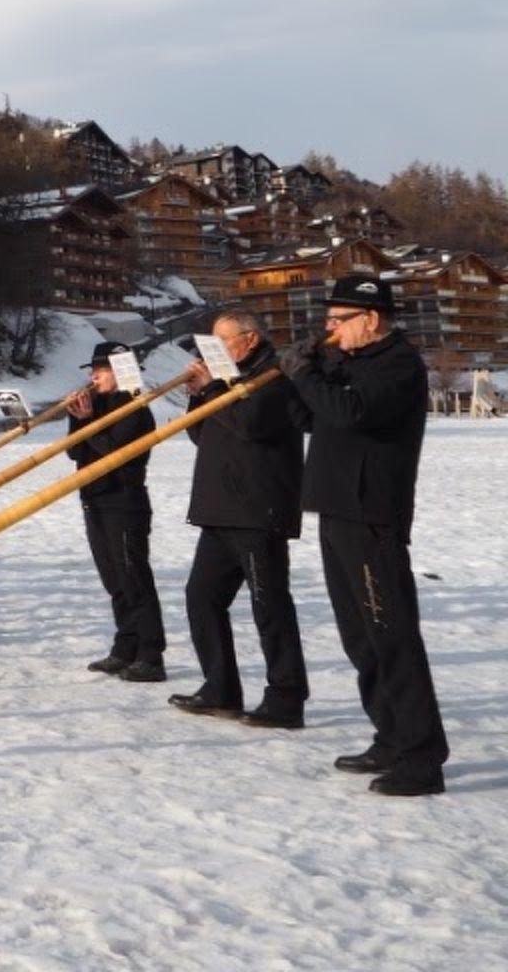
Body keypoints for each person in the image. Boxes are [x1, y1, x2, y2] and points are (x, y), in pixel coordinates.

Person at [291, 274, 449, 797]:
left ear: (372, 319)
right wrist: (298, 377)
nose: (330, 330)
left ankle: (422, 756)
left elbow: (349, 412)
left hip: (371, 513)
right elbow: (312, 416)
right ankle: (389, 734)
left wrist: (310, 376)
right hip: (337, 509)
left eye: (338, 321)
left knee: (392, 633)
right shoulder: (352, 362)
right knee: (360, 635)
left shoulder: (398, 365)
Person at [170, 310, 312, 728]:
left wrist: (215, 386)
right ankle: (221, 687)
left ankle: (286, 697)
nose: (213, 350)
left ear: (249, 340)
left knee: (269, 604)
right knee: (202, 597)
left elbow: (252, 424)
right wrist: (200, 394)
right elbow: (203, 434)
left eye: (222, 341)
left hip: (258, 508)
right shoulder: (227, 378)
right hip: (219, 509)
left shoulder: (273, 375)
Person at [64, 342, 166, 681]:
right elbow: (75, 452)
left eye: (102, 369)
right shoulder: (95, 405)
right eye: (93, 369)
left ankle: (151, 654)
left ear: (121, 371)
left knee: (133, 577)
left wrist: (90, 420)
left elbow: (115, 453)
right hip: (94, 499)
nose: (94, 376)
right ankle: (126, 646)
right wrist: (78, 419)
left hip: (124, 501)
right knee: (113, 581)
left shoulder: (135, 407)